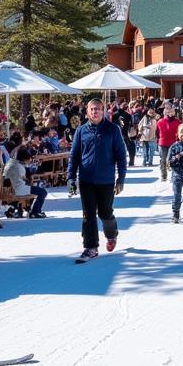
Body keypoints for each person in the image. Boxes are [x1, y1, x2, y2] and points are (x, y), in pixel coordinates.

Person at [68, 98, 128, 260]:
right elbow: (74, 156)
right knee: (88, 215)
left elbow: (121, 156)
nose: (95, 112)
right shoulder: (81, 131)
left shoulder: (113, 129)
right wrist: (71, 178)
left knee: (105, 212)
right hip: (86, 179)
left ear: (103, 111)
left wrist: (121, 178)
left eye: (98, 109)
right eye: (92, 109)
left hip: (106, 180)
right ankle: (91, 247)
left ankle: (111, 234)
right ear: (87, 112)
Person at [4, 145, 48, 218]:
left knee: (31, 187)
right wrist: (35, 167)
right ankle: (35, 211)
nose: (30, 160)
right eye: (29, 158)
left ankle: (12, 209)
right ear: (24, 158)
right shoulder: (19, 166)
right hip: (17, 190)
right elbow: (25, 178)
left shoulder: (10, 163)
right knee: (42, 192)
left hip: (8, 190)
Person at [156, 103, 182, 181]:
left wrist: (178, 140)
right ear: (165, 112)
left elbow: (180, 132)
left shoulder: (177, 121)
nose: (170, 113)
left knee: (174, 159)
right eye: (169, 111)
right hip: (162, 143)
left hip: (173, 143)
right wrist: (159, 139)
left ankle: (175, 175)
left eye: (172, 111)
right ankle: (164, 176)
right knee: (163, 160)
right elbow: (157, 132)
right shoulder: (160, 121)